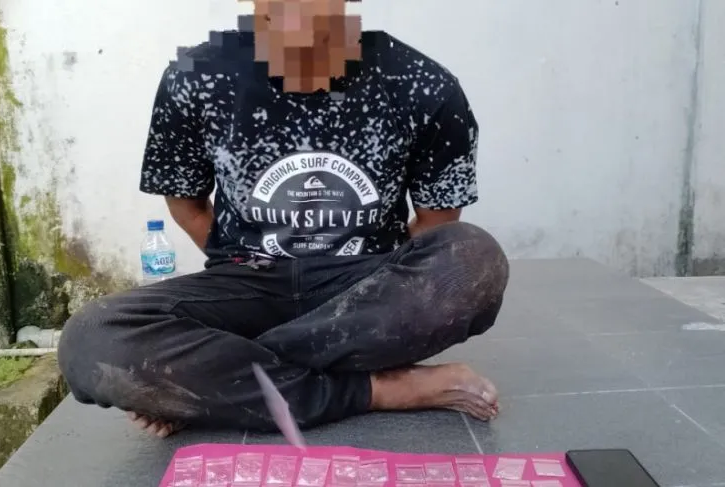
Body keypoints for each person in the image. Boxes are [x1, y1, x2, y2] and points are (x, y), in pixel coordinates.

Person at [57, 0, 509, 439]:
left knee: (475, 258)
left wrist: (184, 378)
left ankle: (218, 383)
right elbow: (187, 205)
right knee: (90, 338)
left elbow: (435, 221)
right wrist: (242, 268)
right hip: (245, 283)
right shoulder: (196, 76)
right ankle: (379, 389)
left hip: (363, 291)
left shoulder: (423, 84)